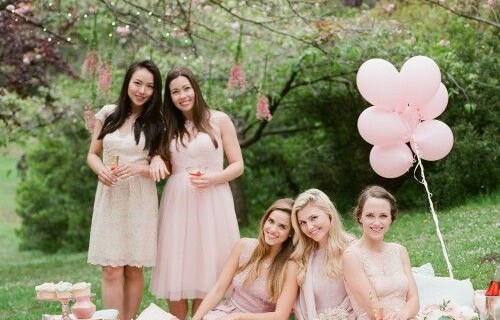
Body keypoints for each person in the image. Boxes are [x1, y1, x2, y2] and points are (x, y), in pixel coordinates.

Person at [150, 66, 244, 319]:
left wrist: (214, 178)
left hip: (212, 198)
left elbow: (238, 165)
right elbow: (163, 161)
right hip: (178, 201)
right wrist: (156, 160)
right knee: (177, 267)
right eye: (174, 92)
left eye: (185, 88)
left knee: (206, 265)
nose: (182, 96)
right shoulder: (167, 125)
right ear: (169, 97)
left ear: (195, 88)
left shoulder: (219, 120)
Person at [86, 59, 164, 320]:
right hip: (110, 195)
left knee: (133, 267)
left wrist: (144, 168)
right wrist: (101, 171)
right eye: (137, 83)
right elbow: (93, 155)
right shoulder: (108, 113)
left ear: (155, 90)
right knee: (111, 268)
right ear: (127, 82)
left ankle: (129, 318)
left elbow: (164, 163)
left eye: (149, 86)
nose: (142, 90)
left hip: (141, 197)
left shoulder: (158, 121)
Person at [191, 198, 299, 320]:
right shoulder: (243, 246)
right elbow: (218, 289)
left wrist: (238, 317)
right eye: (271, 221)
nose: (273, 229)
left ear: (291, 233)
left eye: (282, 227)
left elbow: (280, 316)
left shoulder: (291, 266)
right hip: (225, 313)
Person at [342, 185, 419, 320]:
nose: (377, 222)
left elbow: (414, 300)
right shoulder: (351, 256)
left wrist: (404, 315)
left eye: (383, 216)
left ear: (391, 218)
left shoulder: (400, 251)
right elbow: (374, 310)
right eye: (370, 215)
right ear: (360, 217)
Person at [290, 188, 354, 320]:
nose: (309, 227)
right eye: (303, 223)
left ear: (329, 213)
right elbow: (299, 307)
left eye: (313, 218)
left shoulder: (352, 248)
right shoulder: (303, 257)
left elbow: (362, 297)